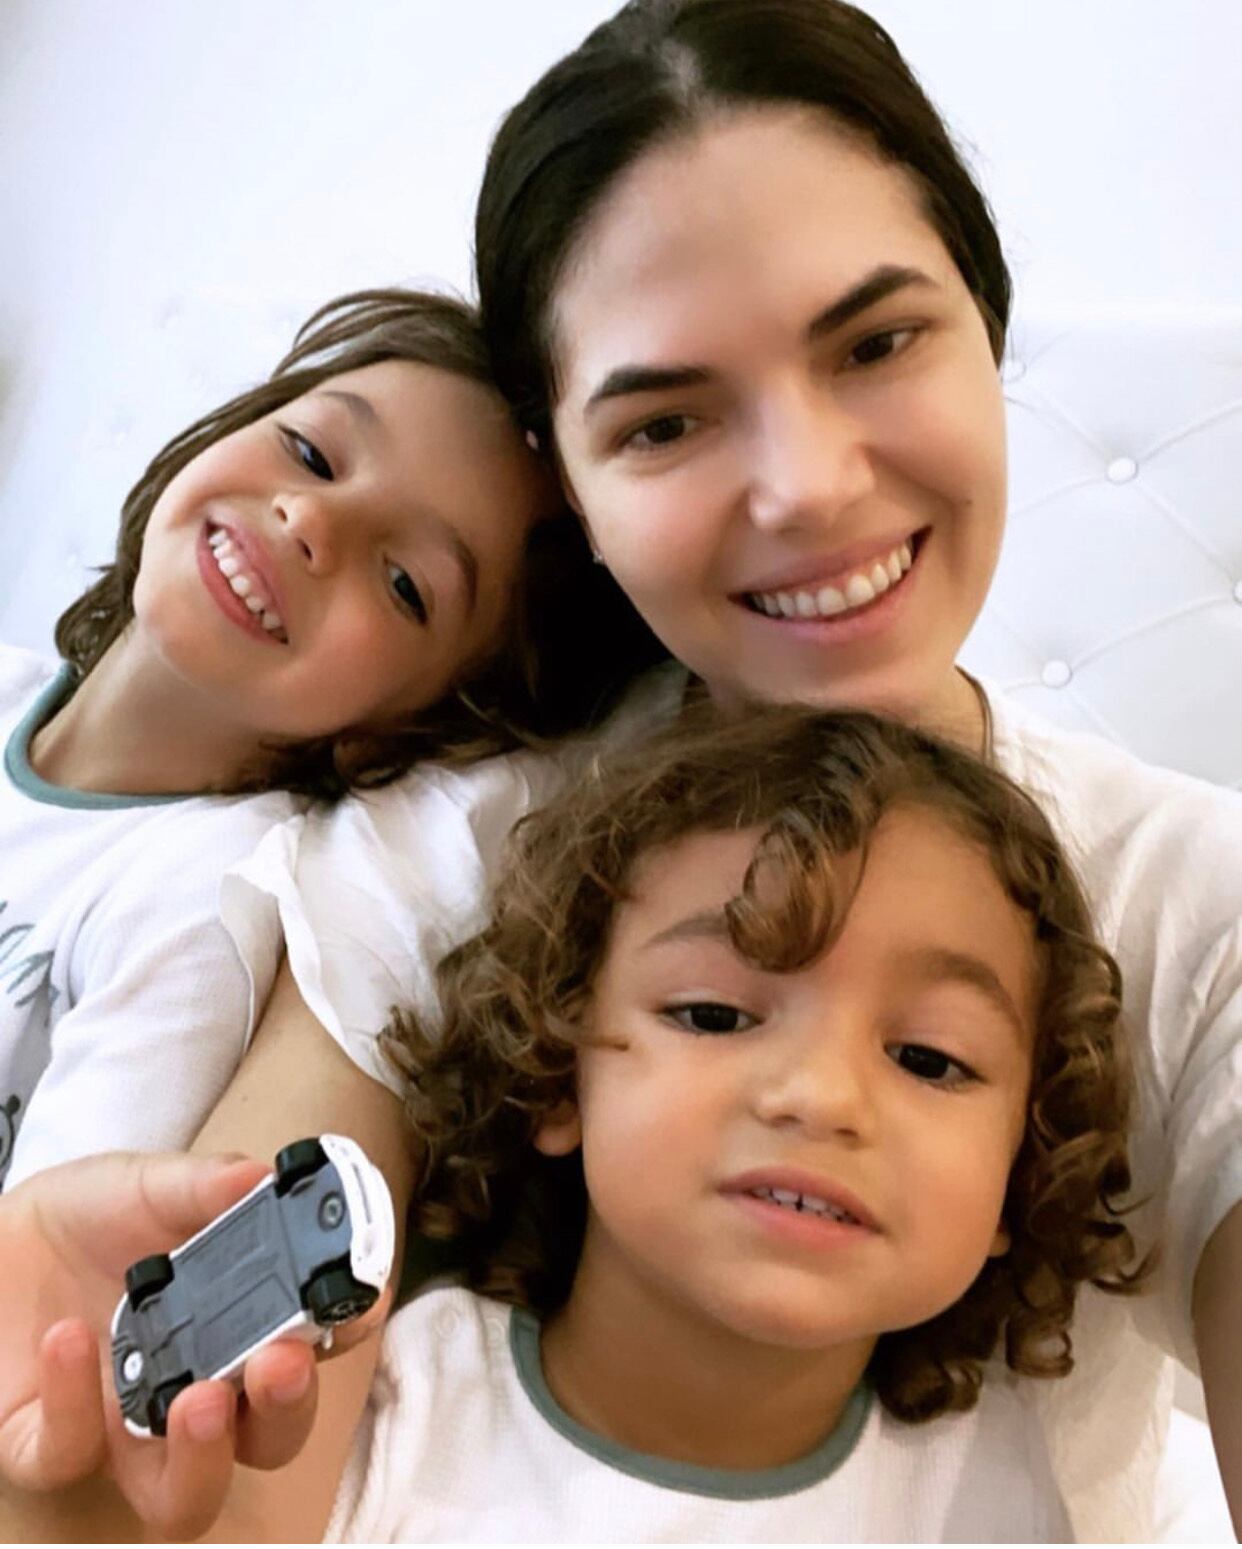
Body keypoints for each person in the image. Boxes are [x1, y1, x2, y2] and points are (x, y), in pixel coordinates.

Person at [2, 0, 1238, 1539]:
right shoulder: (440, 852)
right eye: (663, 422)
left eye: (875, 342)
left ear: (986, 325)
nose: (807, 489)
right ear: (569, 494)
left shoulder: (1199, 907)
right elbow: (212, 1487)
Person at [2, 705, 1146, 1541]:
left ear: (1022, 1166)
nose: (821, 1096)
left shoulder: (1001, 1491)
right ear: (557, 1069)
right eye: (714, 1013)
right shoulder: (377, 1407)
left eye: (931, 1059)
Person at [0, 283, 654, 1189]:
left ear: (407, 732)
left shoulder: (198, 901)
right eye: (310, 453)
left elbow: (46, 1248)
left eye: (404, 584)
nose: (308, 520)